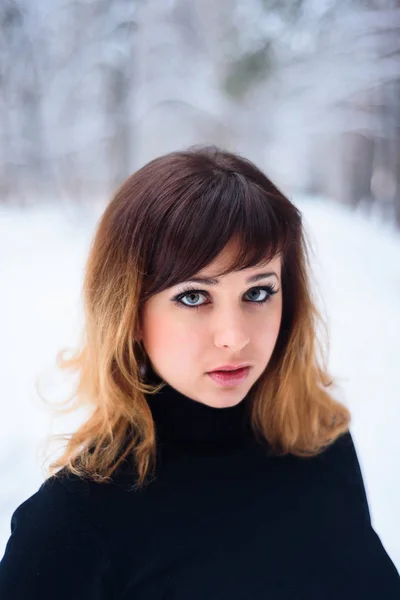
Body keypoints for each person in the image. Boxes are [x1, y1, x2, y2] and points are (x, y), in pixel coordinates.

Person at [0, 146, 399, 600]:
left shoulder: (321, 442)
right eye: (193, 296)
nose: (234, 336)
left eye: (258, 291)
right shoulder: (72, 525)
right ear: (129, 312)